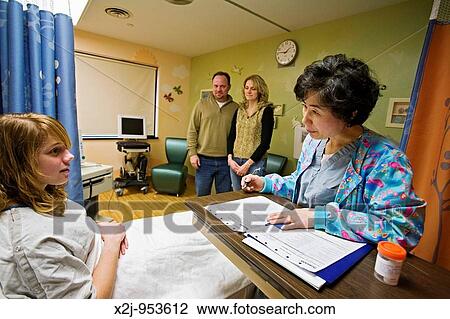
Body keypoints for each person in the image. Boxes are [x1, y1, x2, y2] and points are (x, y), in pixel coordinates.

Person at [0, 113, 248, 298]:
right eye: (55, 151)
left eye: (67, 148)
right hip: (111, 256)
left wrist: (98, 225)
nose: (70, 156)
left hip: (108, 241)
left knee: (199, 225)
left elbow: (66, 231)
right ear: (20, 163)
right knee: (218, 254)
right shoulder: (33, 242)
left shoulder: (40, 195)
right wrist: (112, 242)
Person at [241, 54, 425, 251]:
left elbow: (403, 230)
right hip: (295, 244)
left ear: (350, 112)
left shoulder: (385, 160)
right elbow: (303, 185)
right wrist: (267, 183)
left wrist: (320, 217)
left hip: (342, 262)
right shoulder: (313, 142)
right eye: (304, 107)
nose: (305, 120)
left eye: (316, 112)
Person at [187, 71, 238, 196]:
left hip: (227, 162)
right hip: (203, 161)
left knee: (224, 198)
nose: (218, 89)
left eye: (222, 86)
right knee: (202, 198)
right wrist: (192, 153)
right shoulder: (201, 105)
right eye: (215, 86)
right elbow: (192, 130)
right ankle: (200, 216)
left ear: (229, 87)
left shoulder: (236, 108)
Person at [227, 74, 274, 190]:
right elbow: (231, 136)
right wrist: (229, 159)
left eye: (253, 88)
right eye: (246, 87)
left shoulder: (266, 111)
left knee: (251, 198)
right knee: (236, 195)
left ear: (260, 91)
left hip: (255, 163)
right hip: (235, 162)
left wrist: (247, 165)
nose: (249, 91)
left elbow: (265, 143)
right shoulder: (239, 110)